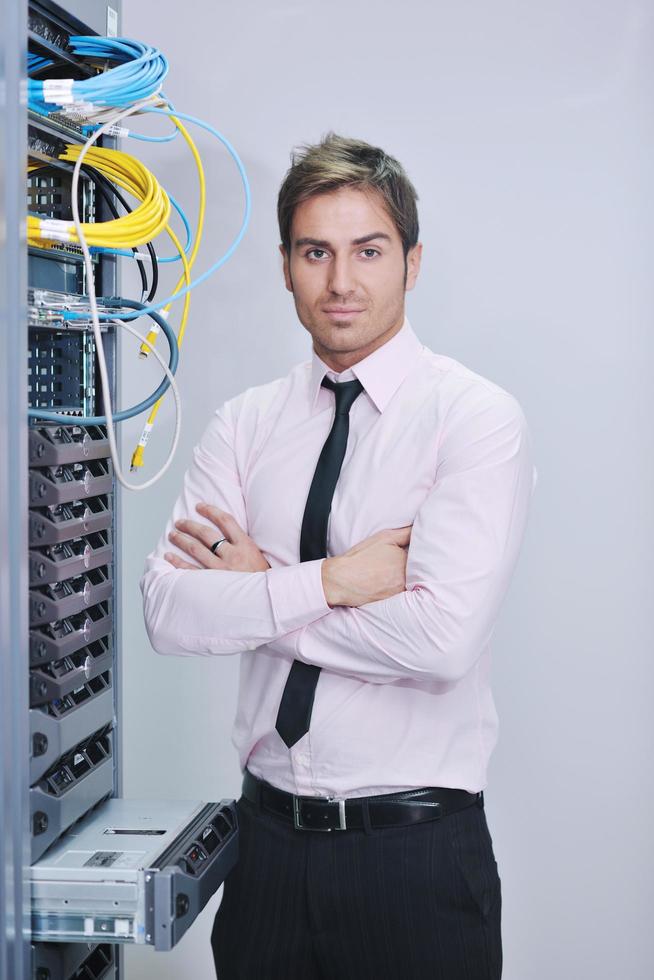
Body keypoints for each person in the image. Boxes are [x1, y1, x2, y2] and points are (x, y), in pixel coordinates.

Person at [140, 132, 537, 980]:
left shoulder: (473, 420)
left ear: (413, 261)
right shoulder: (244, 425)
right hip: (266, 853)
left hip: (415, 858)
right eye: (316, 252)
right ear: (285, 264)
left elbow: (441, 642)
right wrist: (335, 582)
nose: (342, 281)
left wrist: (261, 594)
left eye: (369, 251)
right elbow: (168, 613)